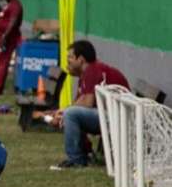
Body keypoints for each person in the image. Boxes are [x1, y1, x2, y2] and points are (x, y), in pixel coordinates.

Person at [50, 40, 129, 170]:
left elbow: (87, 103)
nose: (67, 61)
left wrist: (65, 112)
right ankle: (84, 154)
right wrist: (62, 113)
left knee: (71, 114)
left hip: (119, 117)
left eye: (70, 57)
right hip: (110, 115)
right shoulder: (86, 74)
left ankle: (75, 160)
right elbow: (79, 103)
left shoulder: (93, 70)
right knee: (70, 113)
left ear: (80, 59)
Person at [0, 0, 23, 95]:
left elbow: (12, 22)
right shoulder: (9, 5)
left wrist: (4, 37)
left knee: (3, 62)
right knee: (1, 61)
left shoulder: (15, 5)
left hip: (9, 39)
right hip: (3, 38)